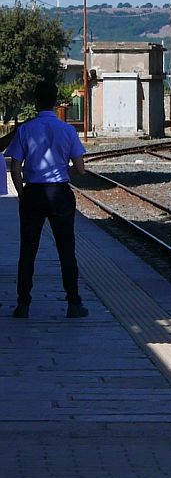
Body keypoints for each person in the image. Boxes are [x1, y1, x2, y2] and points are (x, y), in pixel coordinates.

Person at [5, 81, 88, 319]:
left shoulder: (25, 130)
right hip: (60, 193)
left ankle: (23, 304)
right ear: (55, 102)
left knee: (28, 249)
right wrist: (62, 172)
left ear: (35, 101)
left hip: (34, 192)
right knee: (66, 249)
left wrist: (22, 194)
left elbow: (15, 167)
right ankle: (73, 303)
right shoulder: (68, 130)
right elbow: (80, 169)